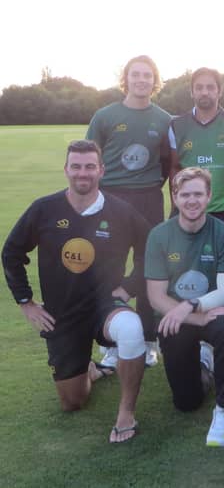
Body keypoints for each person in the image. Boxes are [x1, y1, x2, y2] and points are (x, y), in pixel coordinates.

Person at [2, 139, 148, 443]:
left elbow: (150, 249)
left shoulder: (120, 211)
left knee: (132, 328)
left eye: (90, 166)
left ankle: (126, 413)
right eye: (77, 166)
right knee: (72, 402)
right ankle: (91, 371)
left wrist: (130, 285)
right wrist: (26, 302)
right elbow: (11, 253)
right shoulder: (44, 209)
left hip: (106, 307)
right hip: (63, 314)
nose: (83, 173)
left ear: (101, 170)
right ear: (66, 170)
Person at [145, 167, 224, 447]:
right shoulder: (159, 235)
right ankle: (204, 364)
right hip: (178, 320)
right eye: (185, 194)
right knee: (186, 403)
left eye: (198, 194)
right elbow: (156, 296)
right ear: (175, 197)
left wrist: (189, 305)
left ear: (209, 196)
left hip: (206, 311)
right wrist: (194, 318)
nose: (192, 201)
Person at [87, 55, 172, 367]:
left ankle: (149, 339)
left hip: (149, 197)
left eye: (147, 75)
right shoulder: (105, 116)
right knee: (108, 264)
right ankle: (110, 339)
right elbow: (89, 159)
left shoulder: (164, 119)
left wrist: (147, 185)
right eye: (135, 75)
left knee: (150, 265)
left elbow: (166, 163)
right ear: (126, 79)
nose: (141, 80)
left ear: (155, 80)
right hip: (111, 198)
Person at [168, 67, 224, 368]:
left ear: (220, 91)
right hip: (190, 212)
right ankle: (194, 336)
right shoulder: (176, 124)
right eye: (199, 87)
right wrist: (176, 205)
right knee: (188, 273)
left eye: (210, 87)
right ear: (191, 91)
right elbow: (174, 169)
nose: (205, 92)